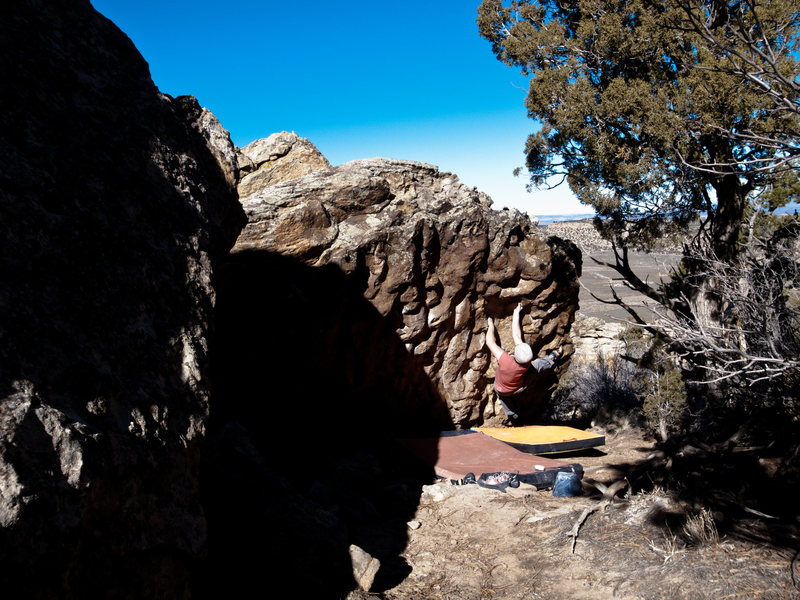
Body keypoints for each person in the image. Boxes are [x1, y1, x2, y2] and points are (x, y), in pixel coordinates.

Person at [485, 302, 563, 421]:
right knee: (537, 366)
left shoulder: (506, 360)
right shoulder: (527, 364)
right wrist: (516, 313)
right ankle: (552, 358)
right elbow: (517, 336)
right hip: (519, 387)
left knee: (505, 401)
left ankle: (513, 416)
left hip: (502, 390)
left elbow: (490, 342)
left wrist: (490, 325)